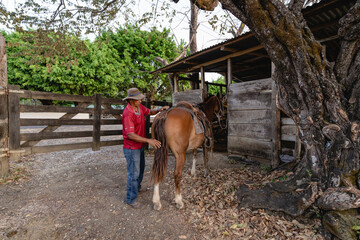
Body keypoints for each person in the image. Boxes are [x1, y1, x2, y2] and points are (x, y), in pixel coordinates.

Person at [122, 88, 169, 209]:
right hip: (132, 148)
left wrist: (159, 110)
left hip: (140, 145)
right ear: (131, 100)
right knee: (134, 173)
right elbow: (130, 135)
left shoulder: (139, 108)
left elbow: (149, 112)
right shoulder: (128, 113)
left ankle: (136, 188)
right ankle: (131, 199)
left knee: (141, 169)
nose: (140, 101)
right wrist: (149, 140)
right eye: (138, 100)